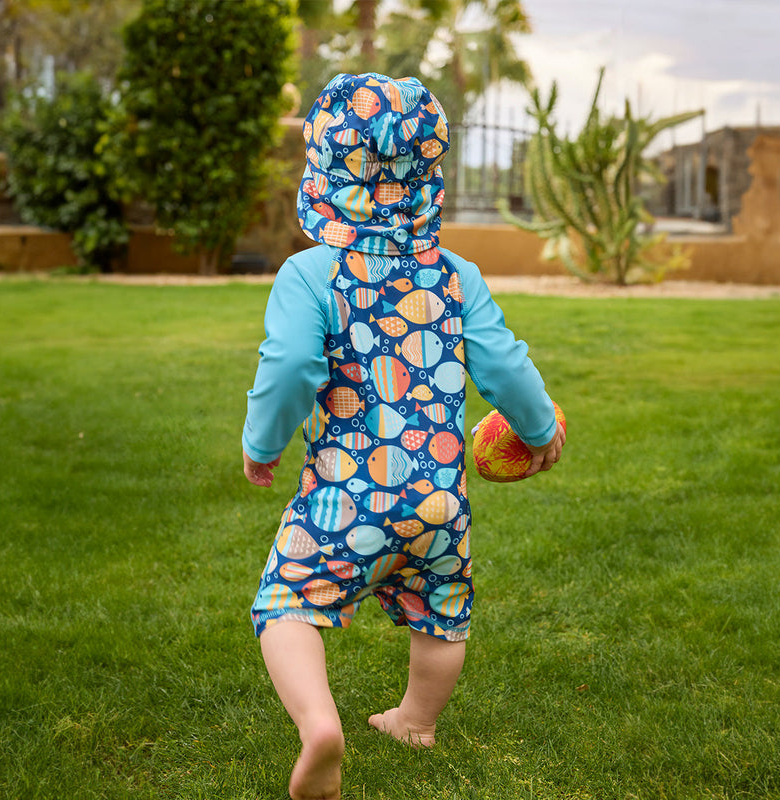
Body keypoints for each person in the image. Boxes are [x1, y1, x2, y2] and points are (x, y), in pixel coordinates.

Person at [242, 72, 565, 800]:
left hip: (345, 501)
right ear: (428, 174)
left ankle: (320, 726)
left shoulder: (311, 274)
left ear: (324, 172)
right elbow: (505, 364)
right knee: (442, 615)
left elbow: (291, 364)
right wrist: (539, 429)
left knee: (286, 604)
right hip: (438, 503)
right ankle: (417, 720)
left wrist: (263, 444)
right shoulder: (456, 276)